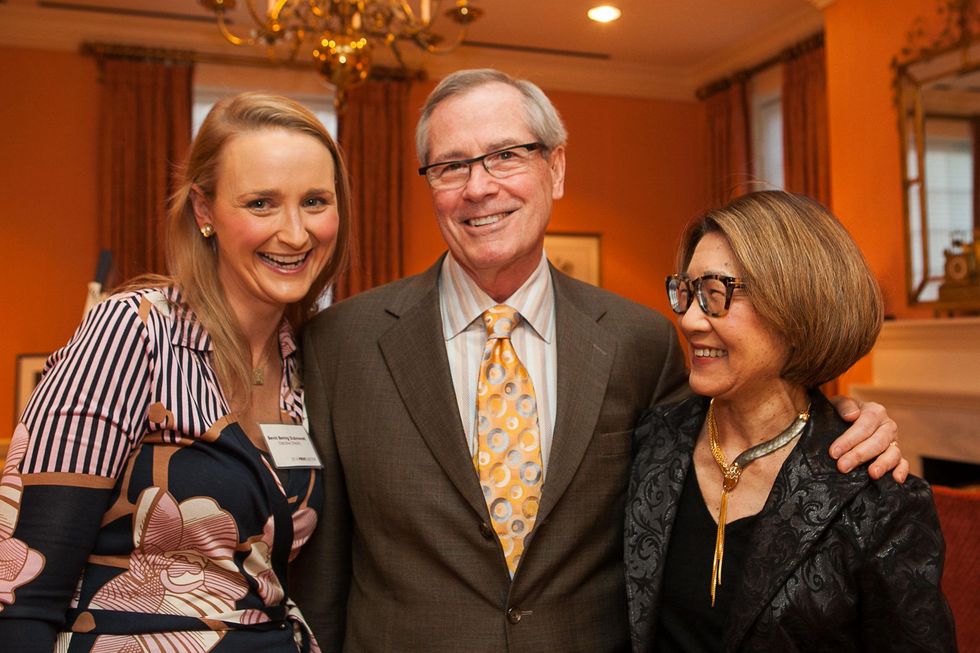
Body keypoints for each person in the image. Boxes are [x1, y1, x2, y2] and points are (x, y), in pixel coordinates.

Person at [292, 69, 906, 651]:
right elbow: (320, 575)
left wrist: (841, 423)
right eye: (451, 166)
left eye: (506, 155)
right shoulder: (341, 343)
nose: (478, 187)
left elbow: (735, 438)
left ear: (555, 167)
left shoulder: (643, 343)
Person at [0, 92, 351, 652]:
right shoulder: (132, 332)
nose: (295, 233)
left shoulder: (310, 362)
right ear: (204, 212)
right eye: (261, 203)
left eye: (314, 201)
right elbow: (22, 593)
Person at [625, 191, 955, 652]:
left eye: (715, 294)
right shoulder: (650, 441)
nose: (690, 320)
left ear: (795, 305)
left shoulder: (877, 495)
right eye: (687, 291)